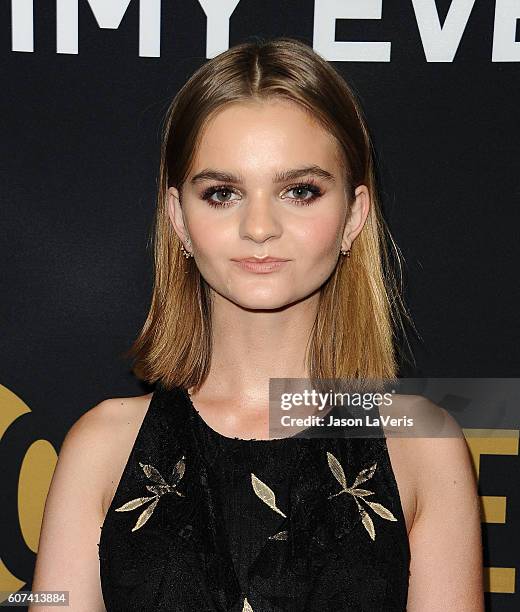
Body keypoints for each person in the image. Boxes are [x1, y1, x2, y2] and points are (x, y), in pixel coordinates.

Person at [31, 37, 484, 611]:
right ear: (180, 220)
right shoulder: (101, 448)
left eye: (299, 191)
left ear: (354, 216)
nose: (260, 226)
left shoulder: (422, 444)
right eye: (223, 193)